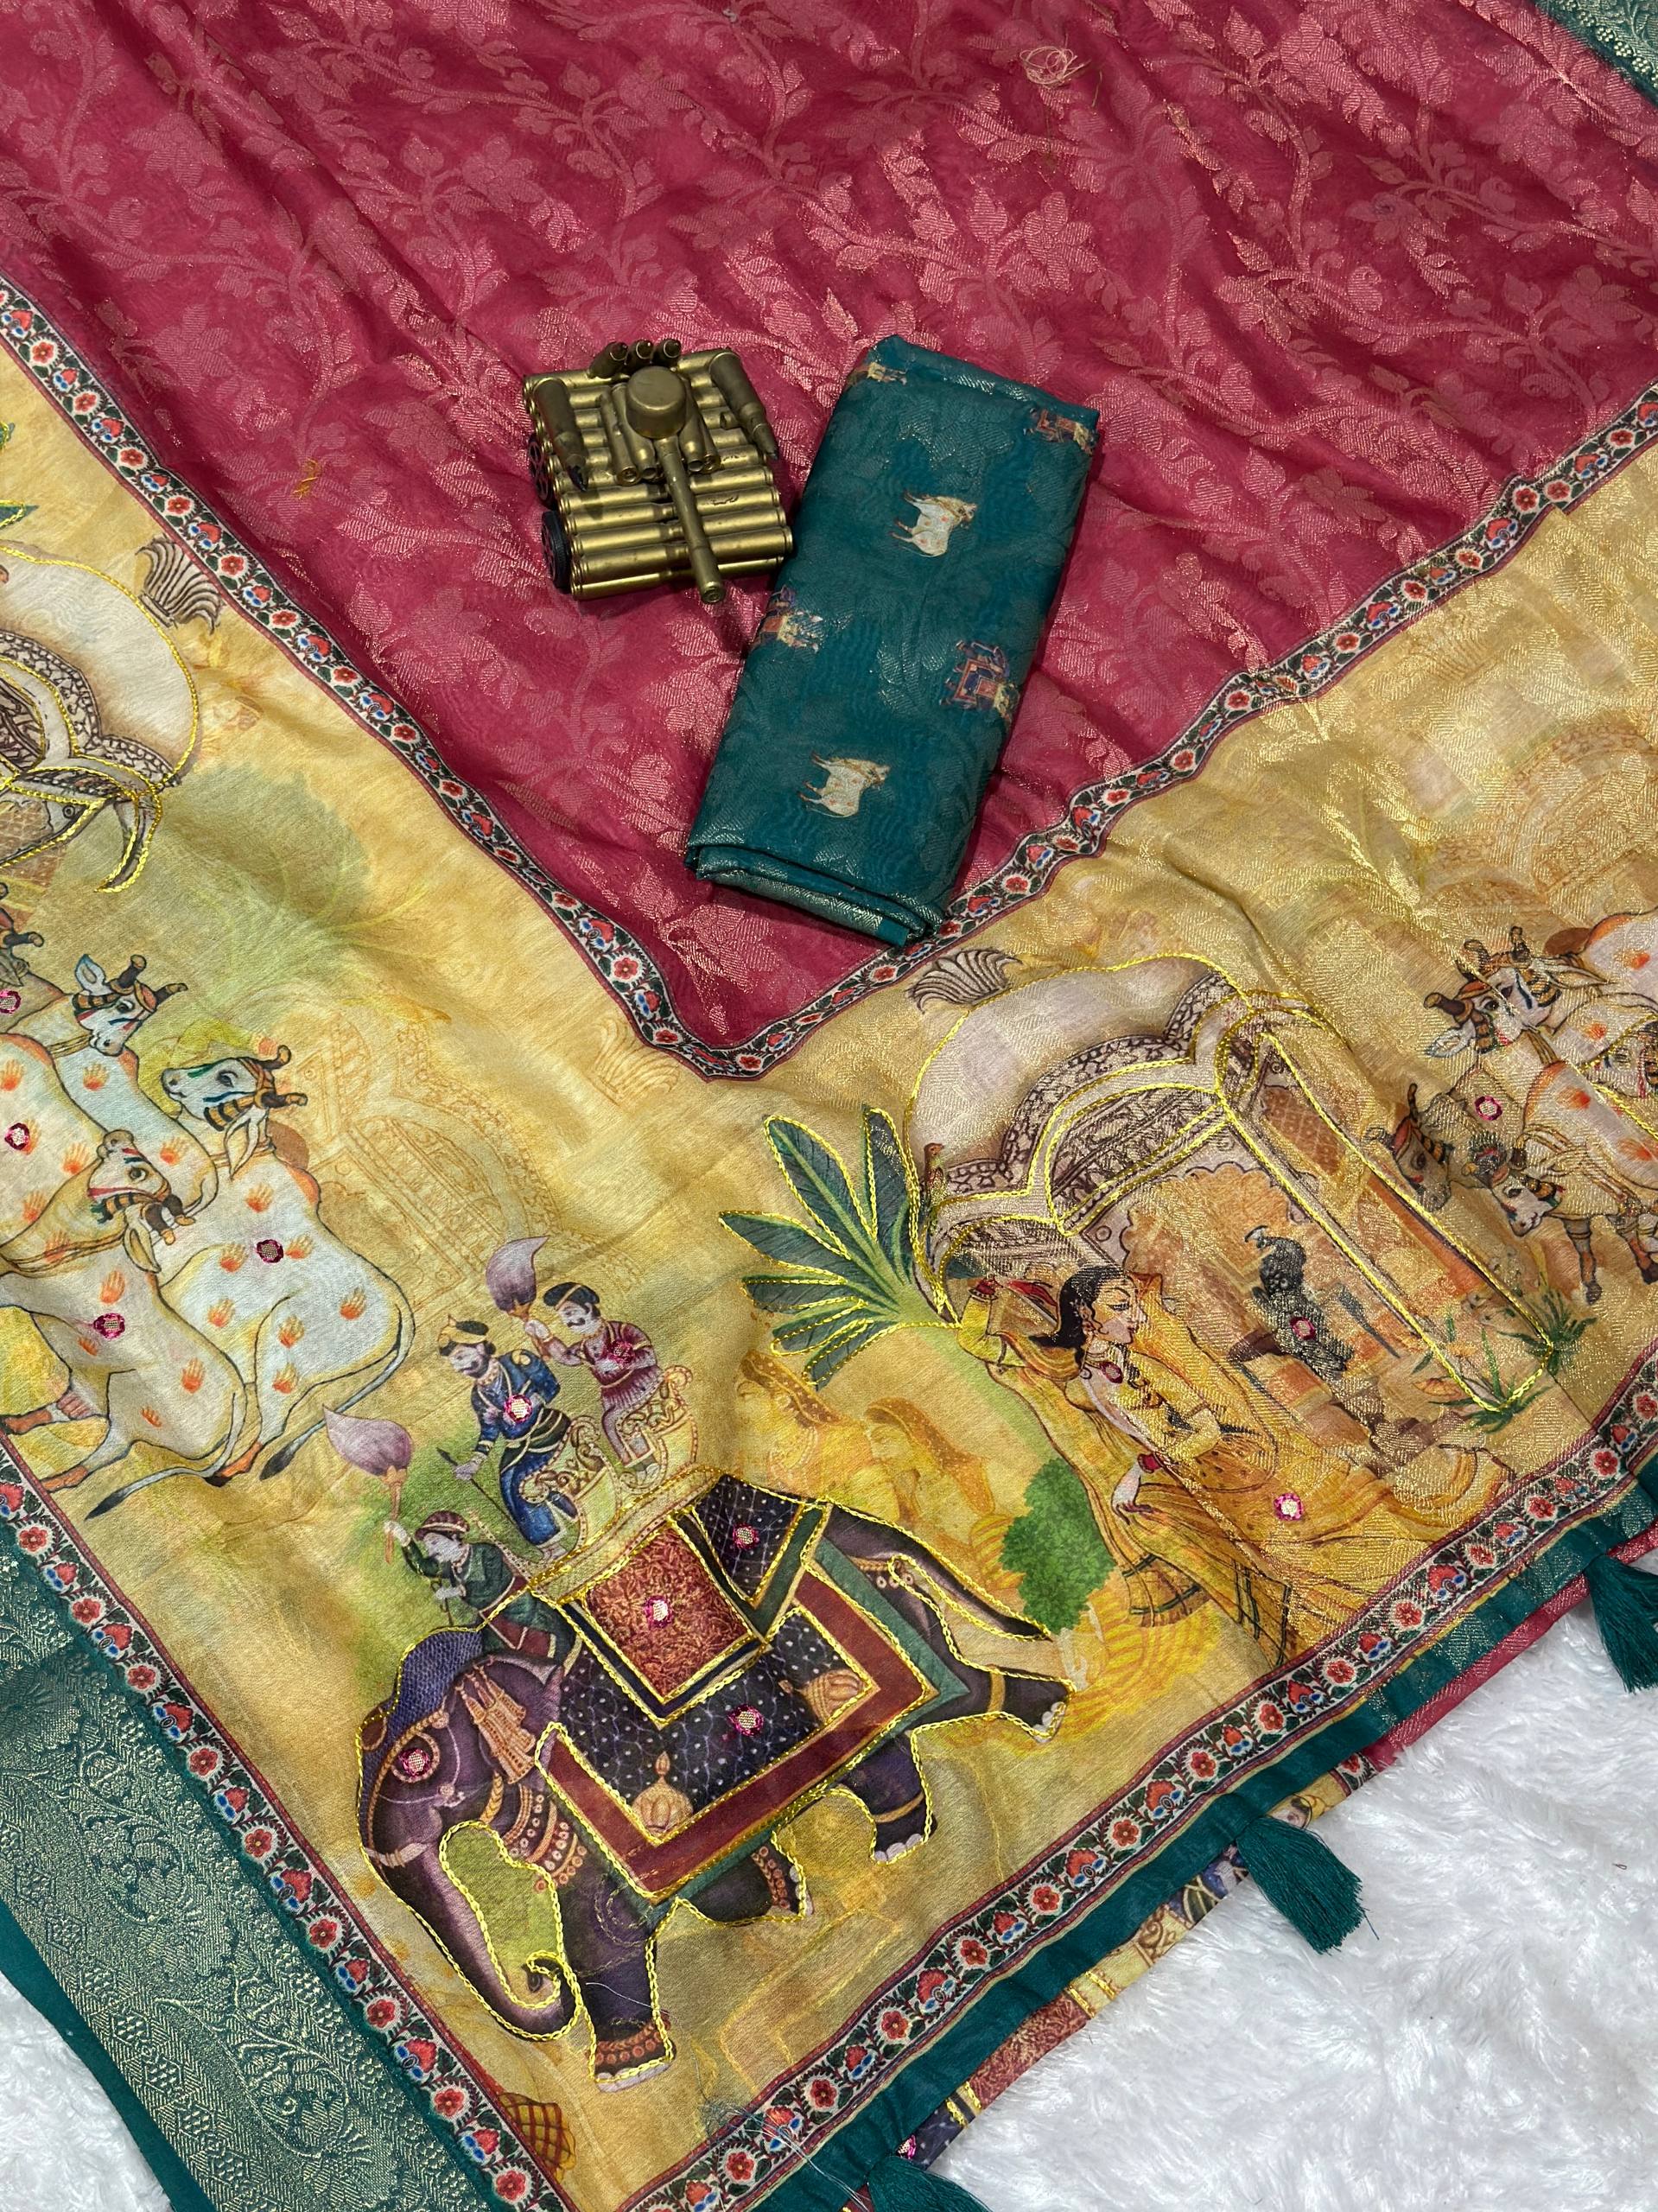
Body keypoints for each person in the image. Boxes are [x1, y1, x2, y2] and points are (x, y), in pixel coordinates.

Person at [528, 1281, 695, 1484]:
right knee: (611, 1422)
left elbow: (649, 1356)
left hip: (643, 1385)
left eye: (571, 1313)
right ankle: (640, 1469)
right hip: (614, 1397)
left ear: (588, 1307)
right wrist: (544, 1334)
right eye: (564, 1318)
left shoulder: (621, 1331)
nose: (569, 1322)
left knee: (614, 1421)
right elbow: (565, 1357)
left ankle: (650, 1464)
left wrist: (619, 1362)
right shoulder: (583, 1346)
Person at [439, 1317, 581, 1549]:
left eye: (461, 1357)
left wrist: (527, 1406)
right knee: (506, 1485)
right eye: (454, 1362)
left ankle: (558, 1516)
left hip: (546, 1429)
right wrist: (474, 1463)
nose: (458, 1367)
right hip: (518, 1445)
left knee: (520, 1483)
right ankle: (550, 1545)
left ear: (480, 1346)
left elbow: (550, 1385)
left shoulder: (517, 1361)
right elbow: (489, 1432)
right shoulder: (478, 1396)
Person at [391, 1507, 570, 1662]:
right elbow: (424, 1567)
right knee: (492, 1656)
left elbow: (493, 1587)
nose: (431, 1551)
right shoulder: (450, 1566)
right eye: (428, 1547)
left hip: (516, 1605)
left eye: (435, 1543)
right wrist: (404, 1539)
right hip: (490, 1617)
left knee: (540, 1641)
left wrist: (458, 1591)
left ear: (453, 1536)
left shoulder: (485, 1552)